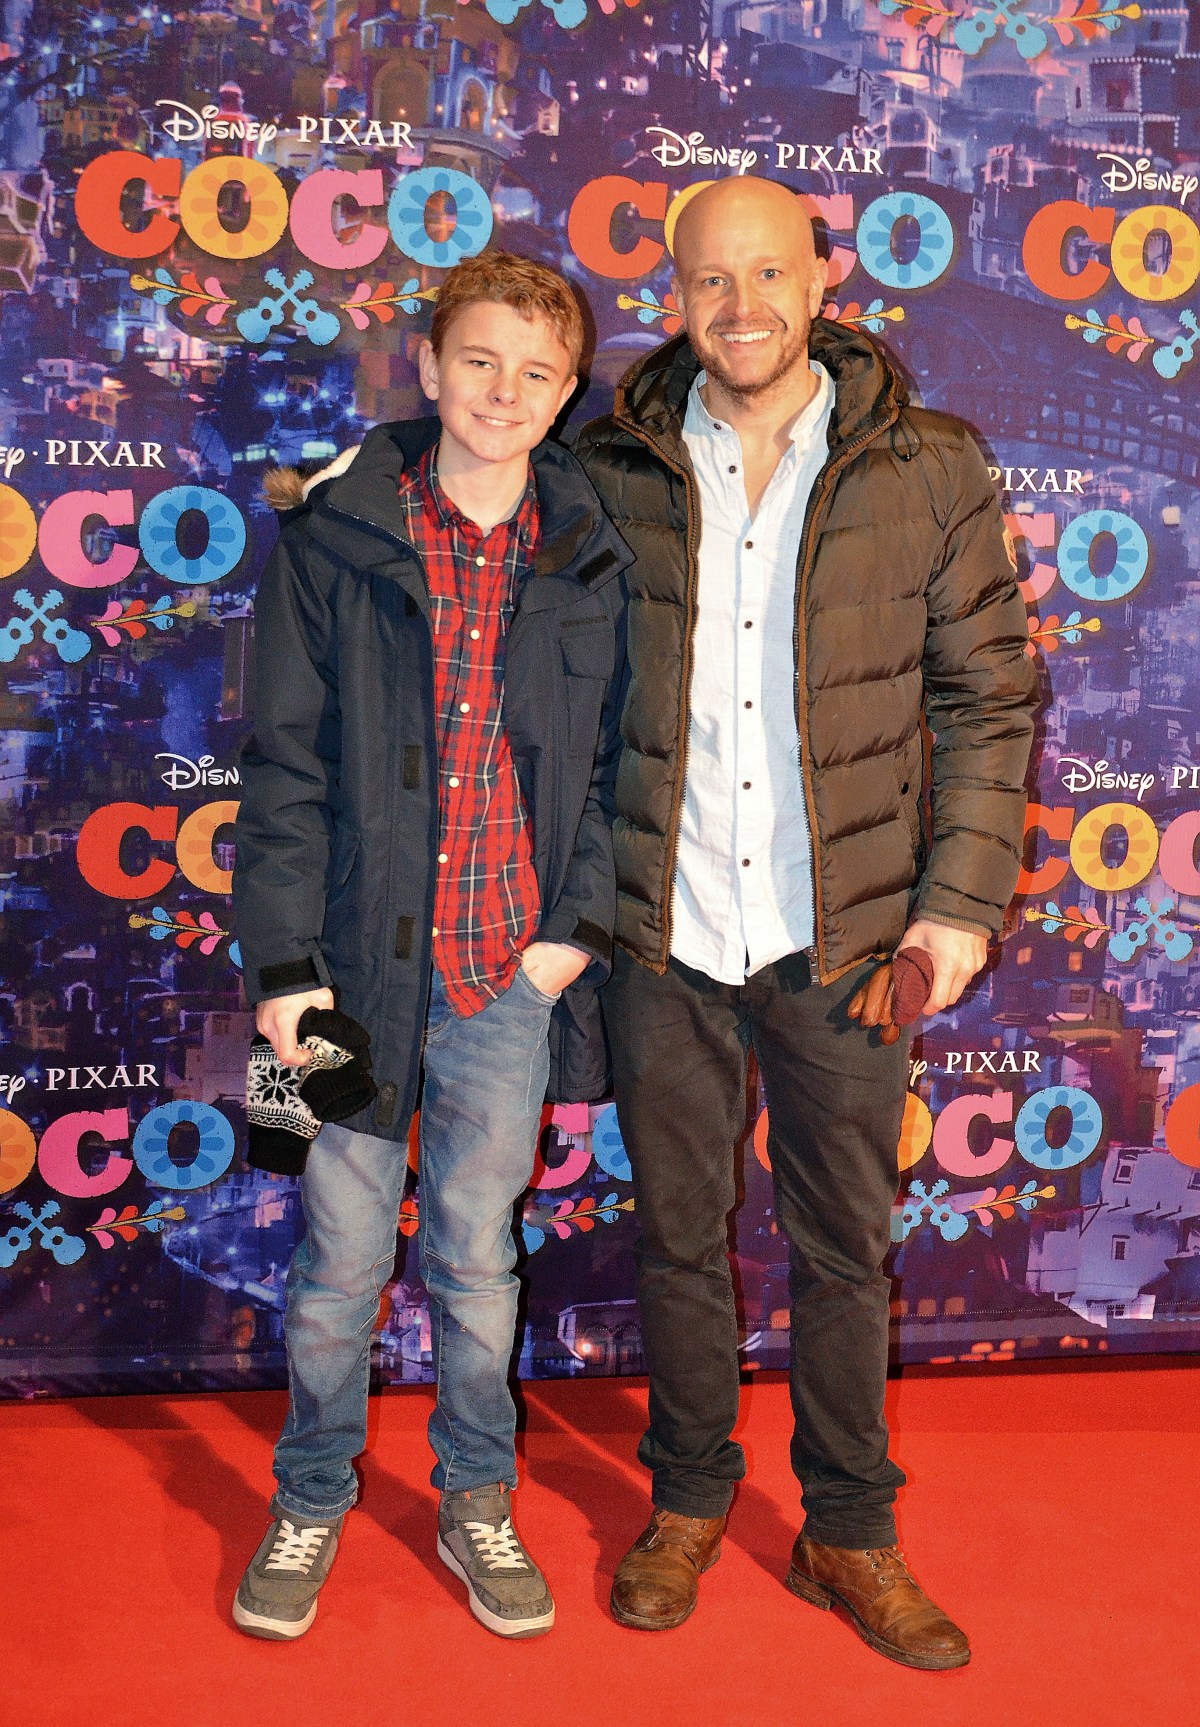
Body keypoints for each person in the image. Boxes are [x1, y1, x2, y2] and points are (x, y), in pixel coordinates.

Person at [573, 176, 1037, 1670]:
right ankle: (688, 1502)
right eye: (712, 279)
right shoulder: (611, 461)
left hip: (850, 942)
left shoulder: (930, 463)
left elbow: (988, 699)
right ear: (674, 294)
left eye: (769, 273)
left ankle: (848, 1528)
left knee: (847, 1250)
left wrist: (954, 907)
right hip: (665, 928)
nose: (742, 305)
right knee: (676, 1242)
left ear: (823, 279)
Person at [231, 251, 629, 1642]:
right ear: (428, 365)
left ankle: (476, 1495)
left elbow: (617, 768)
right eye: (479, 361)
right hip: (342, 985)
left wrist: (568, 936)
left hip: (506, 985)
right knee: (336, 1267)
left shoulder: (593, 554)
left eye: (536, 373)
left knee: (477, 1262)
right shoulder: (332, 540)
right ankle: (310, 1492)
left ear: (566, 394)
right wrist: (284, 970)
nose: (503, 393)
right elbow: (283, 768)